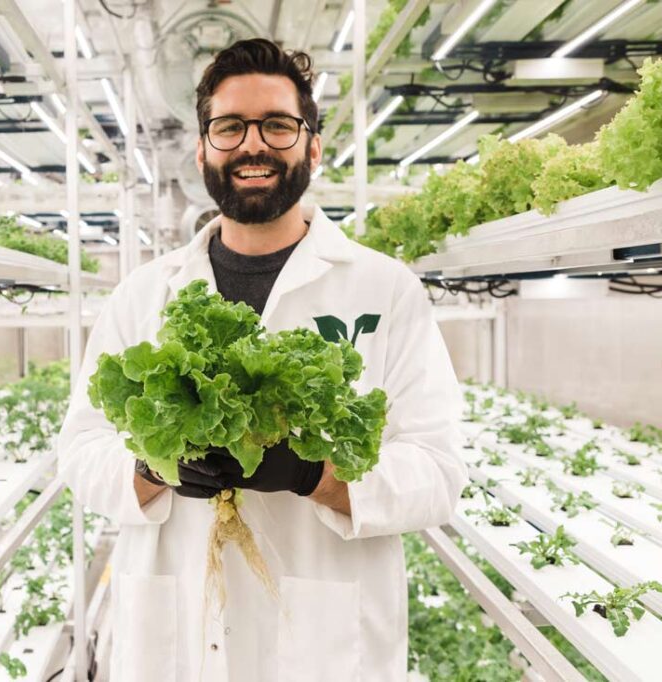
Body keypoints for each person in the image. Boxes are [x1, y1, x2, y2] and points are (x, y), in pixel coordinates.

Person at [58, 38, 467, 682]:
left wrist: (317, 477)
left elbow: (439, 472)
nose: (253, 144)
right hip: (178, 638)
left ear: (312, 147)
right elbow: (81, 452)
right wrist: (152, 468)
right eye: (230, 127)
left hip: (320, 644)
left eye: (278, 125)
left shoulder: (385, 290)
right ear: (202, 150)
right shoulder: (142, 294)